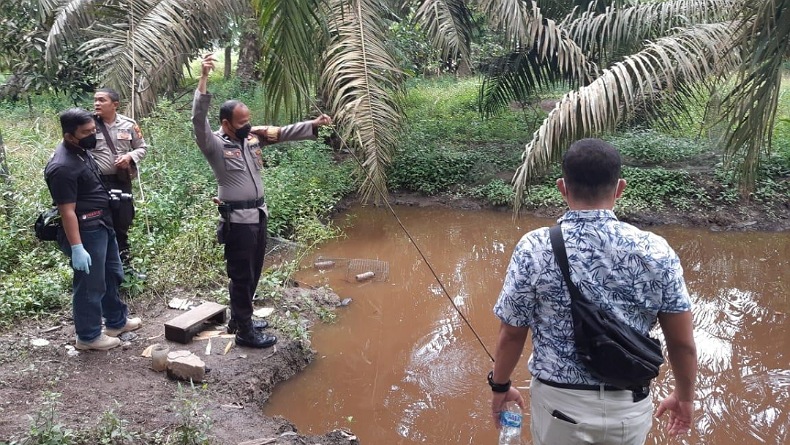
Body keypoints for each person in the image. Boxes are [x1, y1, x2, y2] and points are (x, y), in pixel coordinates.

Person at [489, 138, 697, 444]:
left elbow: (511, 334)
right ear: (619, 188)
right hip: (629, 408)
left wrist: (500, 386)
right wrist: (685, 397)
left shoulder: (534, 247)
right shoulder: (656, 250)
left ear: (562, 187)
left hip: (559, 408)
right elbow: (682, 344)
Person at [191, 54, 332, 349]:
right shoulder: (215, 145)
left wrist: (314, 123)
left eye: (249, 120)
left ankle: (239, 319)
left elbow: (282, 132)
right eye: (242, 122)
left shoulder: (251, 138)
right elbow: (198, 120)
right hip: (237, 221)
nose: (248, 125)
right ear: (226, 123)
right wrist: (203, 80)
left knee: (253, 271)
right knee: (241, 275)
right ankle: (244, 332)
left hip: (258, 215)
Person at [45, 108, 142, 351]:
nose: (93, 135)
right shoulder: (62, 166)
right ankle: (88, 337)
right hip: (86, 230)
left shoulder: (81, 151)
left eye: (93, 130)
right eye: (87, 132)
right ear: (70, 136)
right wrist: (77, 247)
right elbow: (67, 211)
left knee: (111, 273)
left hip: (101, 223)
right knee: (90, 283)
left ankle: (116, 321)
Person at [92, 87, 148, 276]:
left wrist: (130, 157)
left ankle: (125, 266)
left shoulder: (129, 124)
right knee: (101, 222)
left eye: (102, 100)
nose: (97, 104)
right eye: (95, 100)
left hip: (121, 181)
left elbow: (142, 148)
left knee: (123, 220)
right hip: (97, 183)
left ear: (115, 104)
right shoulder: (89, 124)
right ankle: (106, 269)